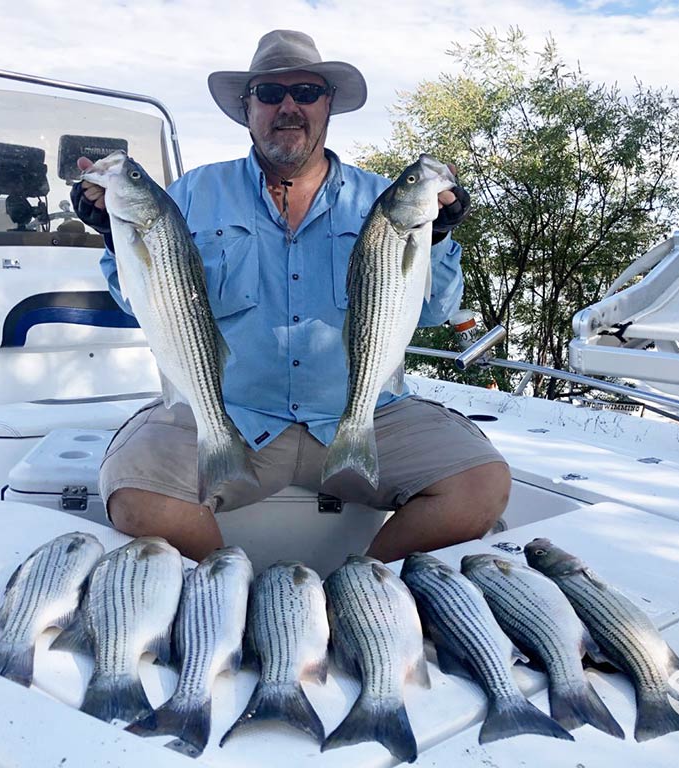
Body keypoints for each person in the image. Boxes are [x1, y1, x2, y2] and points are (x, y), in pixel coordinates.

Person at [72, 30, 510, 563]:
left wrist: (436, 237)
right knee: (136, 498)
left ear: (328, 105)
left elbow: (436, 311)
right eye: (269, 93)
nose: (287, 107)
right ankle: (234, 590)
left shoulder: (382, 197)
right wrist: (112, 232)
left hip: (365, 411)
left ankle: (362, 589)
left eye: (305, 92)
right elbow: (132, 298)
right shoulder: (191, 193)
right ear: (247, 106)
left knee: (480, 488)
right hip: (231, 414)